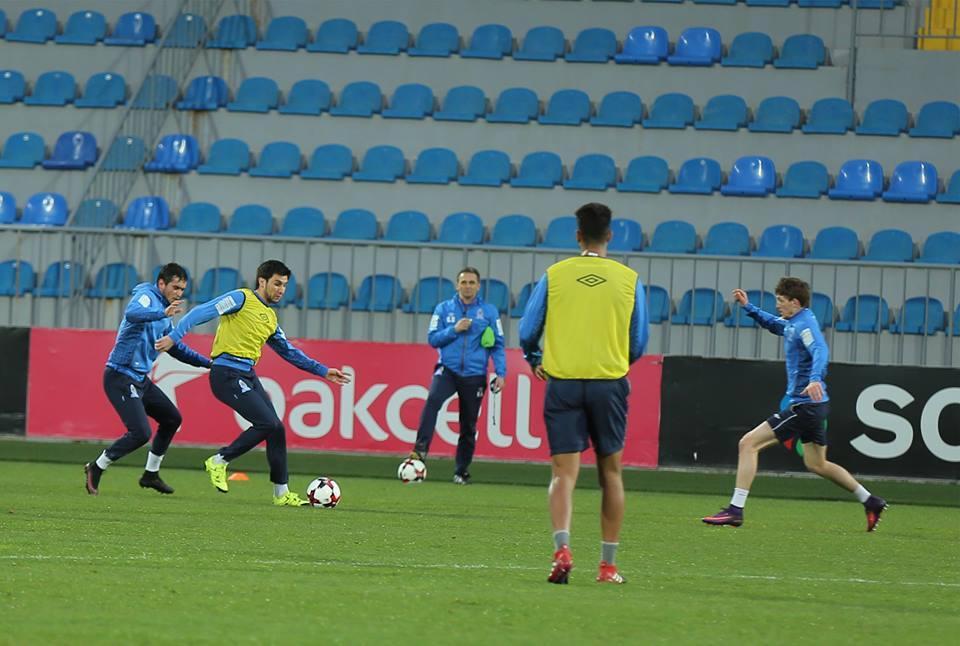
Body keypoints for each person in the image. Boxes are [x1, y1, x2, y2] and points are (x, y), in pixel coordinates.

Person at [519, 202, 649, 585]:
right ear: (610, 235)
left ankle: (562, 549)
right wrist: (615, 362)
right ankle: (607, 567)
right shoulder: (629, 279)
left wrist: (535, 358)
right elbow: (639, 341)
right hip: (608, 383)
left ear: (578, 236)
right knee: (611, 474)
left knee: (563, 474)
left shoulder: (555, 275)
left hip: (563, 383)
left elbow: (527, 330)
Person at [155, 259, 351, 506]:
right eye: (277, 283)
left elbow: (290, 352)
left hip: (246, 374)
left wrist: (322, 371)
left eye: (284, 285)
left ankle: (281, 494)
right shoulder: (241, 298)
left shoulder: (269, 318)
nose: (281, 290)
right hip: (226, 373)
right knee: (267, 423)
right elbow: (199, 312)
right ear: (262, 281)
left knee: (276, 428)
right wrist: (174, 337)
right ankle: (219, 460)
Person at [702, 279, 887, 531]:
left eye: (781, 301)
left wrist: (815, 378)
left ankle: (735, 510)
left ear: (795, 302)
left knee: (748, 444)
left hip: (805, 406)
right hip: (816, 405)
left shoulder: (805, 325)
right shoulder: (795, 322)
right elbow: (776, 325)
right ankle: (870, 500)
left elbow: (820, 350)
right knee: (817, 464)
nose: (777, 305)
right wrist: (749, 307)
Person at [84, 263, 212, 496]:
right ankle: (97, 466)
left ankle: (150, 474)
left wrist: (208, 363)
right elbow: (132, 313)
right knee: (141, 433)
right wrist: (162, 313)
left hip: (139, 379)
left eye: (182, 289)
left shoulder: (165, 312)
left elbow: (175, 348)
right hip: (120, 375)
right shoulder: (146, 296)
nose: (179, 293)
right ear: (161, 283)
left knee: (172, 418)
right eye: (175, 287)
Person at [408, 267, 507, 484]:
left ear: (478, 286)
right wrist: (454, 329)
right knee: (432, 401)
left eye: (472, 283)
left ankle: (461, 470)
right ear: (457, 285)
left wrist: (501, 373)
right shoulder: (443, 309)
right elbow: (433, 339)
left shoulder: (489, 312)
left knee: (468, 424)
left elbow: (498, 344)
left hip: (475, 374)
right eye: (464, 282)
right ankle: (420, 451)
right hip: (448, 370)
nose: (467, 286)